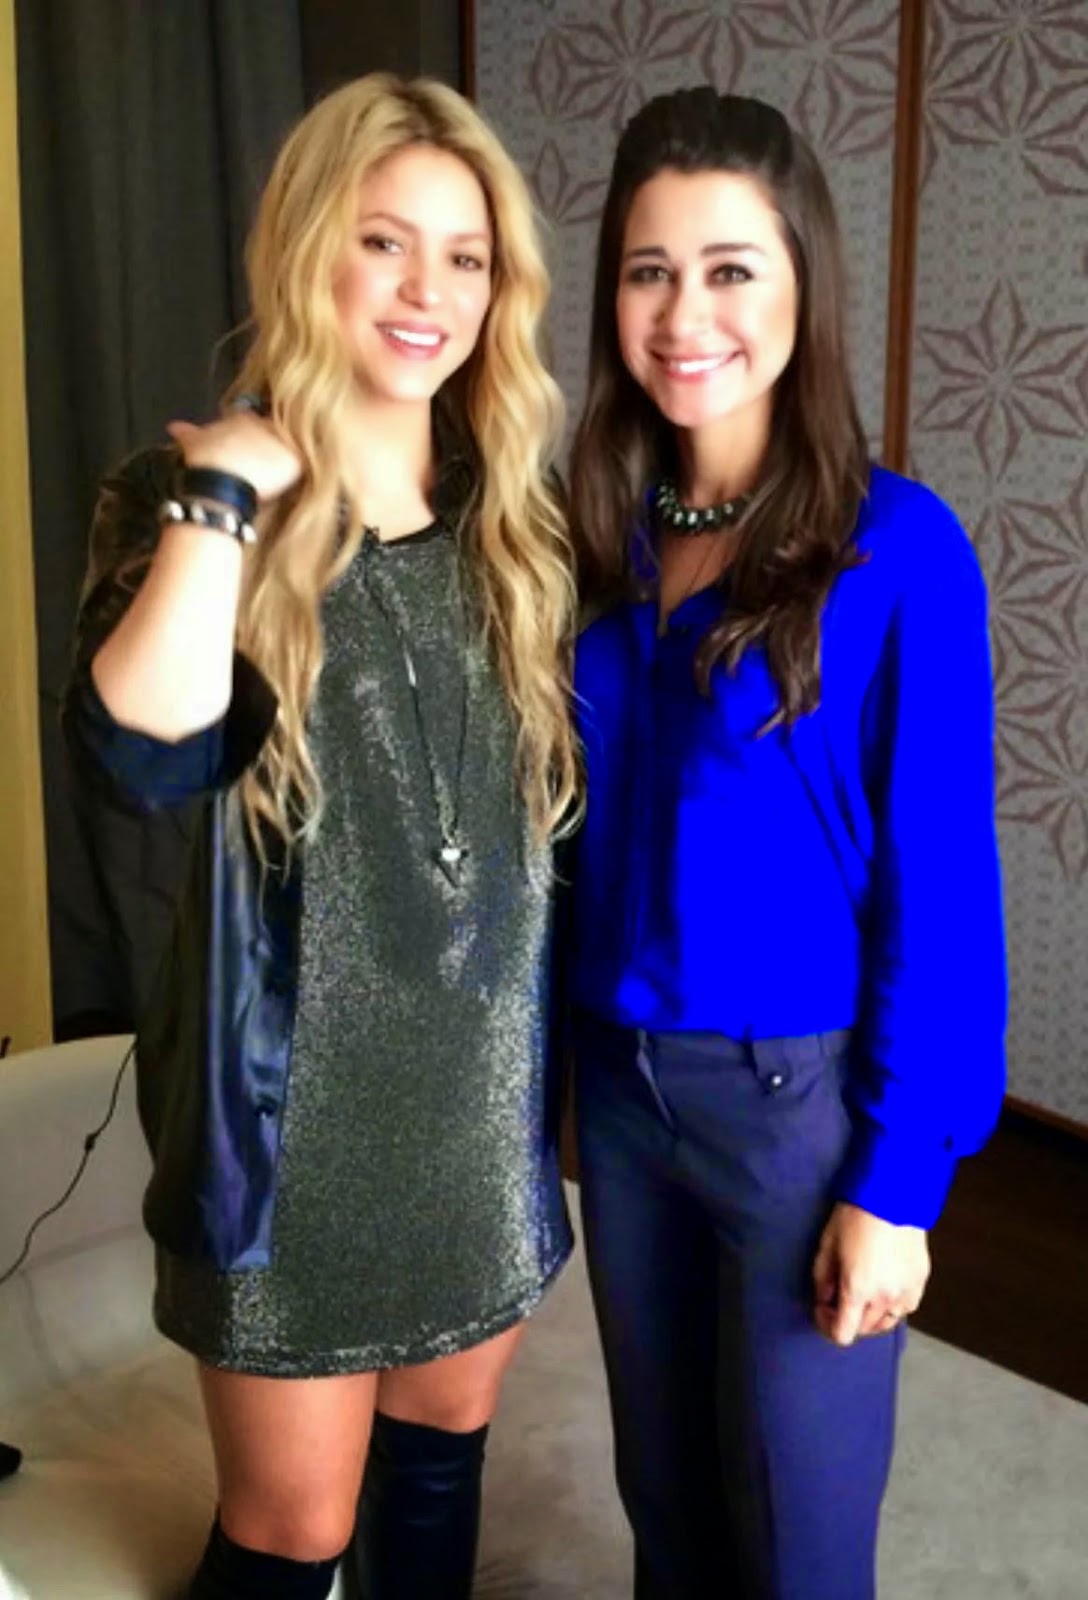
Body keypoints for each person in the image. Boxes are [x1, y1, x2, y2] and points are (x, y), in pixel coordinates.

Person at [63, 73, 579, 1600]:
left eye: (466, 257)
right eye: (384, 243)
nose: (430, 293)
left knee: (440, 1465)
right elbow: (146, 755)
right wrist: (226, 496)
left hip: (477, 1101)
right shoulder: (184, 495)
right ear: (306, 248)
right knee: (293, 1533)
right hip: (291, 1129)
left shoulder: (518, 513)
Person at [565, 88, 1006, 1600]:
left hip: (790, 1107)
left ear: (802, 283)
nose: (685, 314)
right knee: (668, 1508)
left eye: (731, 268)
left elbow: (944, 890)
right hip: (620, 1102)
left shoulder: (897, 547)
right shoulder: (600, 532)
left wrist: (899, 1185)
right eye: (649, 270)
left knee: (799, 1537)